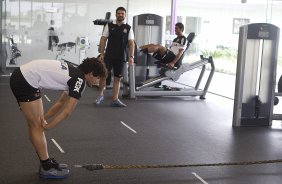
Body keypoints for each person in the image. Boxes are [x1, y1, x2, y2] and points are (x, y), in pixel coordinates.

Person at [9, 57, 107, 179]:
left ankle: (45, 161)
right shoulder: (79, 80)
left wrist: (45, 118)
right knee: (37, 126)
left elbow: (60, 103)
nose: (98, 82)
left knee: (35, 124)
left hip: (23, 77)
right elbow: (67, 112)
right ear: (91, 74)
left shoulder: (75, 74)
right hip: (25, 80)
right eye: (98, 78)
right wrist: (48, 126)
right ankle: (46, 166)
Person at [96, 6, 135, 107]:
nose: (120, 15)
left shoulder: (128, 28)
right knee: (103, 76)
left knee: (118, 78)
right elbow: (103, 39)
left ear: (125, 15)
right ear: (116, 14)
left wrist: (131, 56)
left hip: (121, 57)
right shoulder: (109, 25)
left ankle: (115, 99)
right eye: (119, 13)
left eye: (122, 13)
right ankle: (100, 96)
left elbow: (131, 43)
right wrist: (102, 53)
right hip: (109, 56)